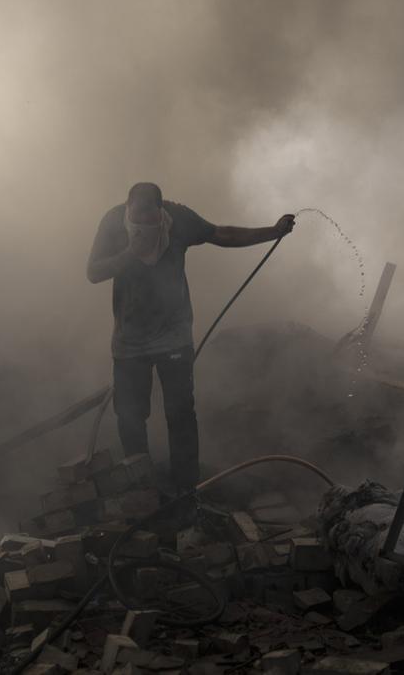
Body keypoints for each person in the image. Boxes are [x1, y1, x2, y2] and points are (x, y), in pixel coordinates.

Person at [87, 182, 295, 490]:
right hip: (129, 341)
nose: (143, 226)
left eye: (150, 220)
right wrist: (131, 253)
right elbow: (93, 272)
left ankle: (185, 490)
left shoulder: (178, 219)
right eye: (136, 220)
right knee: (130, 416)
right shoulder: (113, 223)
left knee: (180, 413)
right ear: (127, 209)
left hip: (174, 337)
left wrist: (272, 232)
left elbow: (221, 234)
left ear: (161, 212)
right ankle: (139, 489)